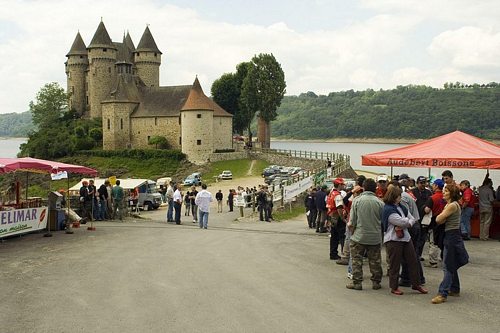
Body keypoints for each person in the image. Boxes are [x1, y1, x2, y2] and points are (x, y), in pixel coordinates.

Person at [382, 185, 428, 296]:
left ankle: (416, 284)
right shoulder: (388, 209)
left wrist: (406, 222)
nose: (400, 198)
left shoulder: (400, 207)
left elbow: (409, 220)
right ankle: (394, 286)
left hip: (405, 238)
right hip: (393, 239)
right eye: (398, 196)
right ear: (394, 197)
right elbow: (405, 222)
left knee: (413, 261)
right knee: (395, 264)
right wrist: (407, 222)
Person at [431, 184, 469, 304]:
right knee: (451, 262)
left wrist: (442, 217)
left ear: (452, 193)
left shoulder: (452, 205)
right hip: (451, 235)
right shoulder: (450, 204)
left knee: (447, 265)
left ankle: (443, 293)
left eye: (446, 191)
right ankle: (455, 288)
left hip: (452, 236)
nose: (444, 193)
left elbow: (438, 219)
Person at [346, 178, 384, 291]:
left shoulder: (357, 200)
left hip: (359, 235)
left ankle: (357, 283)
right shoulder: (380, 202)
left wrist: (352, 233)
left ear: (363, 187)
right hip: (375, 236)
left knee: (357, 260)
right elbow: (383, 221)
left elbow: (352, 221)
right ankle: (376, 282)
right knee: (375, 261)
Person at [423, 179, 446, 268]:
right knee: (443, 241)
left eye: (433, 184)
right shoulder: (445, 197)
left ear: (436, 186)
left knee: (433, 242)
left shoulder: (432, 197)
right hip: (444, 222)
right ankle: (444, 258)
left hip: (434, 222)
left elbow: (427, 210)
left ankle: (433, 262)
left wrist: (423, 207)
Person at [327, 177, 346, 260]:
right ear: (339, 185)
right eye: (343, 184)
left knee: (333, 236)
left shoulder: (331, 193)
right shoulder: (338, 195)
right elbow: (339, 208)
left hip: (331, 216)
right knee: (342, 236)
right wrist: (342, 218)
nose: (344, 186)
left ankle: (333, 253)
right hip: (337, 217)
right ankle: (344, 254)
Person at [478, 175, 495, 240]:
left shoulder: (480, 189)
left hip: (481, 207)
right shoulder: (489, 190)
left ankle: (481, 236)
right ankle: (485, 236)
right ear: (489, 183)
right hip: (488, 207)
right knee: (487, 222)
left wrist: (486, 176)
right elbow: (491, 200)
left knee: (481, 222)